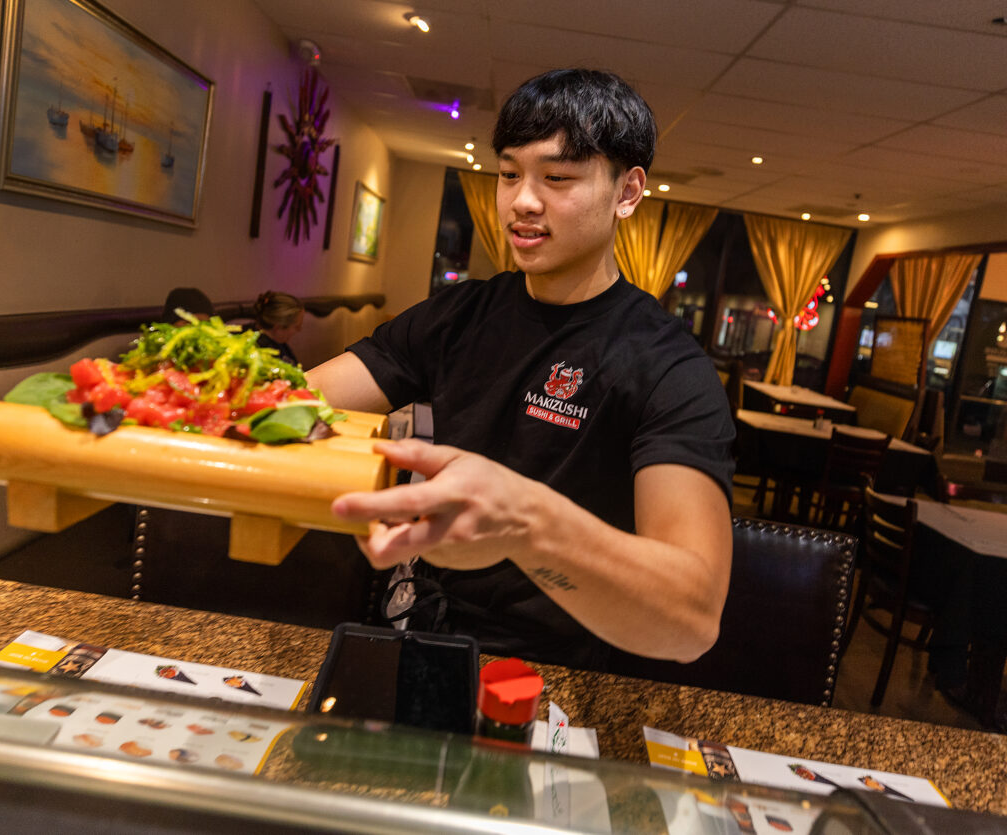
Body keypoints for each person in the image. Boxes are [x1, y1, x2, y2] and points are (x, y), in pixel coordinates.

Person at [305, 68, 734, 672]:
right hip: (419, 631)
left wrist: (528, 525)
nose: (522, 201)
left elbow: (691, 619)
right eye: (509, 174)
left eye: (557, 178)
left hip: (563, 668)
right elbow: (300, 404)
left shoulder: (669, 367)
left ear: (628, 192)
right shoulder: (458, 315)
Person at [252, 290, 305, 365]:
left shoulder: (277, 340)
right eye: (297, 326)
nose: (299, 330)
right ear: (278, 328)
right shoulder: (261, 352)